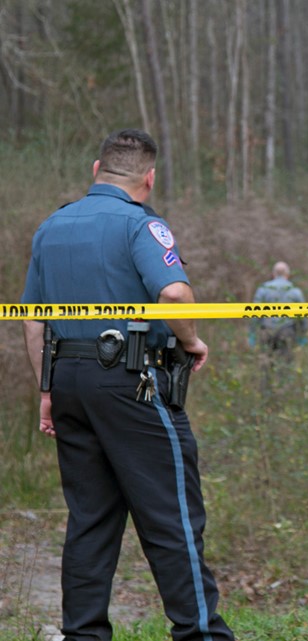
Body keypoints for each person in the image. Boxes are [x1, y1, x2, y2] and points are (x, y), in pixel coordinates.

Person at [21, 129, 234, 640]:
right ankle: (201, 634)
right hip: (131, 382)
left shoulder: (51, 226)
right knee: (171, 514)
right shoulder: (142, 225)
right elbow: (175, 294)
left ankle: (83, 635)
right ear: (149, 178)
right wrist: (191, 341)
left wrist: (47, 390)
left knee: (90, 520)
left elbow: (32, 319)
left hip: (68, 382)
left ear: (97, 170)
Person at [249, 260, 308, 360]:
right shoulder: (294, 290)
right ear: (287, 274)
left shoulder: (263, 289)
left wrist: (252, 333)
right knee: (285, 362)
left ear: (273, 274)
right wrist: (303, 333)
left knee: (266, 361)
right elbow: (303, 314)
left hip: (267, 331)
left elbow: (255, 312)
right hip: (287, 331)